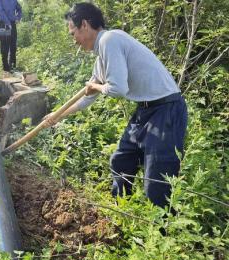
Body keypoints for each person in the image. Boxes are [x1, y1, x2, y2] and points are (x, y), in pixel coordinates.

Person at [44, 3, 188, 208]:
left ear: (84, 24)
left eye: (73, 32)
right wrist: (57, 116)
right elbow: (87, 97)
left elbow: (117, 89)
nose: (73, 40)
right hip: (145, 110)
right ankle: (121, 212)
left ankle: (162, 233)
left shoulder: (110, 40)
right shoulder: (101, 57)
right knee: (121, 162)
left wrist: (95, 85)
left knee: (157, 184)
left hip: (166, 110)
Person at [0, 0, 22, 72]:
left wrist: (18, 18)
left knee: (13, 46)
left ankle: (13, 68)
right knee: (4, 48)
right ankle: (6, 69)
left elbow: (19, 8)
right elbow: (0, 11)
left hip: (13, 23)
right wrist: (7, 23)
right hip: (3, 23)